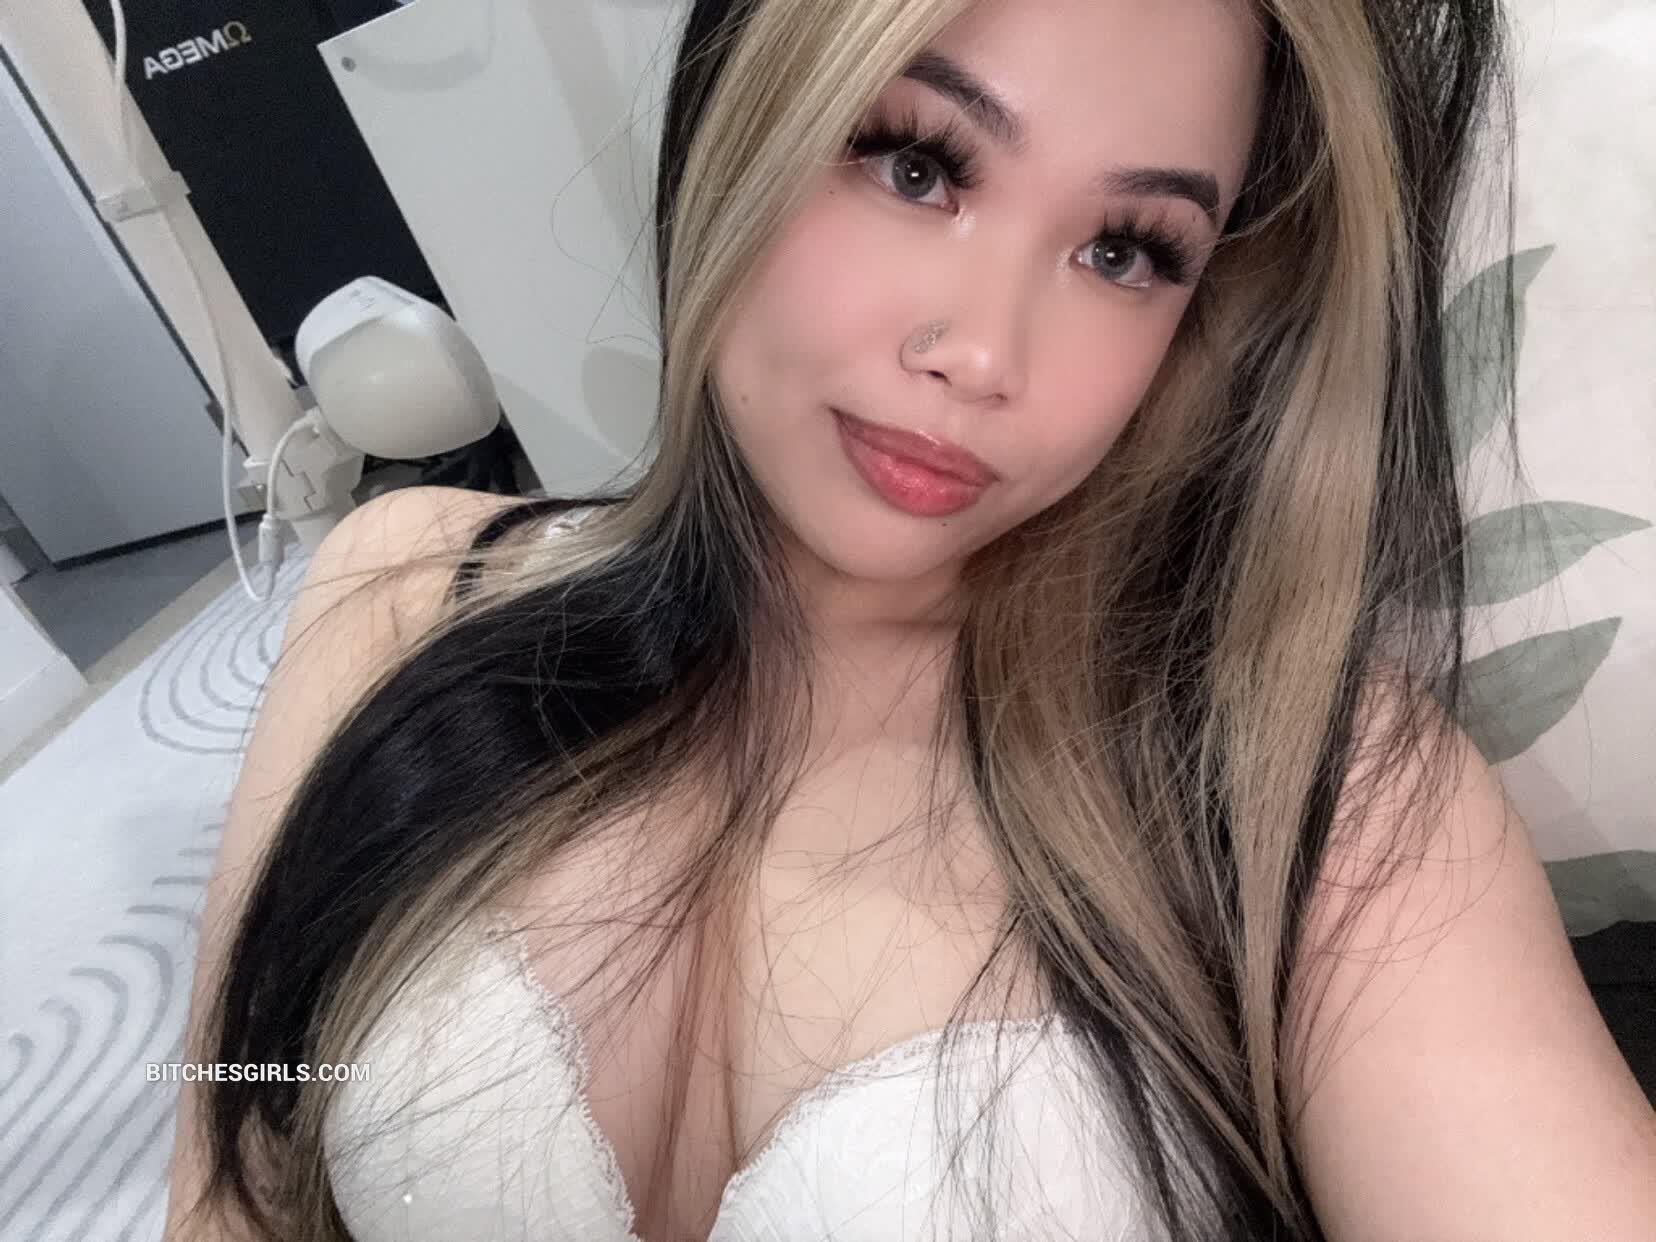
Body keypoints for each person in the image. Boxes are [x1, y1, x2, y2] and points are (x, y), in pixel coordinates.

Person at [161, 0, 1656, 1238]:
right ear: (747, 108)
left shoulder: (1308, 798)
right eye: (920, 163)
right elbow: (239, 1157)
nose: (984, 352)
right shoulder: (401, 589)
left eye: (1124, 250)